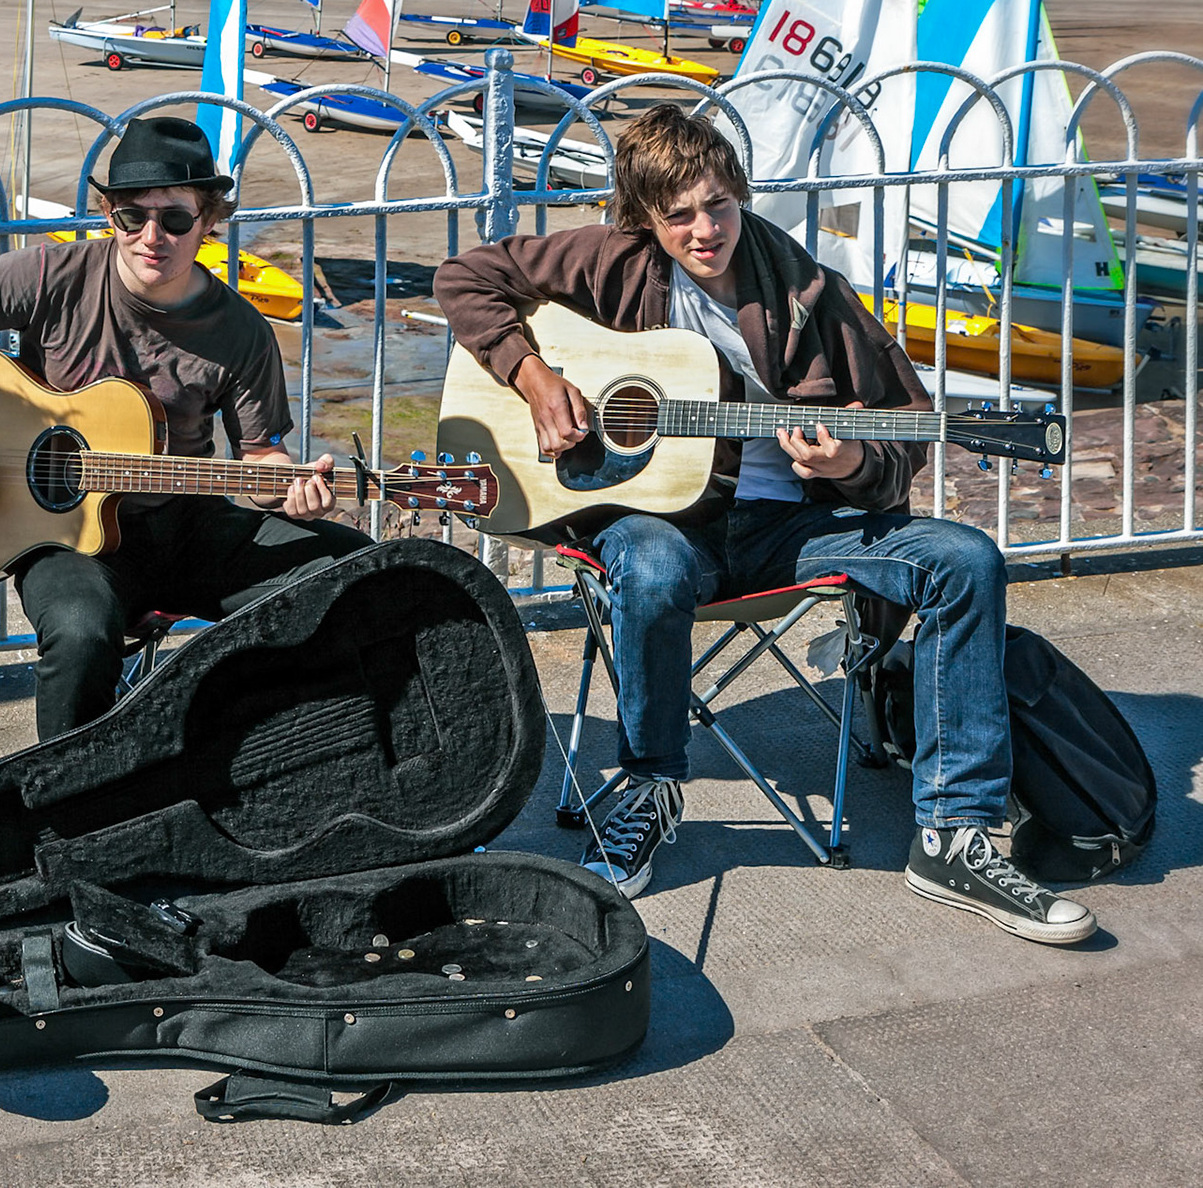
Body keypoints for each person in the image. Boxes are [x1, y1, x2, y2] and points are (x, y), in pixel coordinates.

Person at [433, 104, 1095, 945]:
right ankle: (647, 787)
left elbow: (905, 424)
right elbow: (463, 279)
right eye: (679, 216)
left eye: (718, 204)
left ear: (740, 193)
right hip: (657, 524)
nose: (704, 230)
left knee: (963, 557)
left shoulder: (809, 292)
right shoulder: (614, 263)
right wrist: (533, 376)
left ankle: (953, 835)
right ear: (644, 218)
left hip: (792, 532)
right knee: (651, 562)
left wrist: (851, 467)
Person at [0, 116, 371, 738]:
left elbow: (261, 461)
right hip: (60, 534)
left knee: (356, 574)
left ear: (209, 220)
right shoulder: (53, 277)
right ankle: (65, 805)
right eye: (131, 216)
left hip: (182, 523)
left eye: (175, 218)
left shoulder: (241, 330)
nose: (150, 236)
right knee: (82, 632)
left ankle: (288, 747)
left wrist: (292, 494)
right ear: (110, 214)